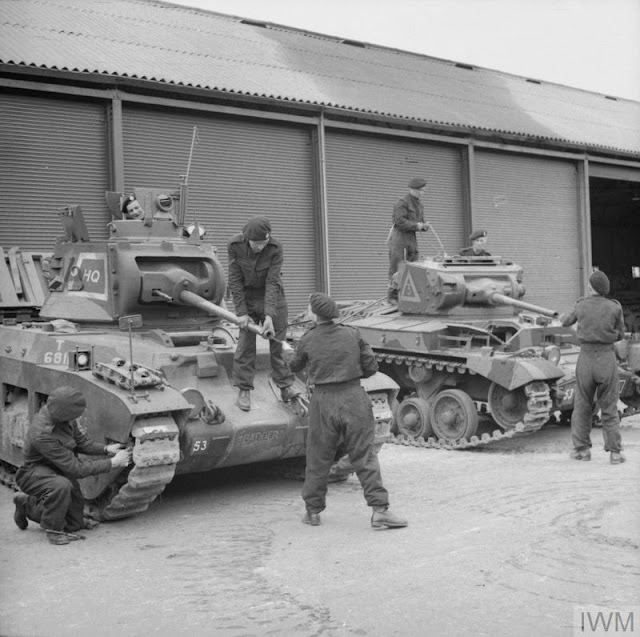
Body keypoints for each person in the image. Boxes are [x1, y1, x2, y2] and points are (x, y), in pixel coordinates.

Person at [284, 292, 408, 529]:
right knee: (365, 455)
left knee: (318, 458)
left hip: (322, 402)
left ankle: (312, 512)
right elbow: (371, 368)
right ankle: (380, 511)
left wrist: (287, 352)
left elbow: (293, 366)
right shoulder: (352, 334)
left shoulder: (308, 339)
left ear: (314, 314)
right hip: (353, 399)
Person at [12, 386, 132, 545]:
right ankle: (50, 528)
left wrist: (106, 449)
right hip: (34, 472)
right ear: (63, 414)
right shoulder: (42, 433)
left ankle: (30, 506)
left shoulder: (62, 415)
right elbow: (76, 468)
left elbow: (80, 442)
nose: (75, 418)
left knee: (74, 524)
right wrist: (113, 462)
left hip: (58, 466)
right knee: (61, 486)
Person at [227, 215, 299, 411]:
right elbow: (234, 280)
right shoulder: (235, 245)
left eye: (263, 243)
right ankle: (244, 389)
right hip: (248, 298)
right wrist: (241, 312)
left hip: (273, 297)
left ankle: (285, 386)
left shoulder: (275, 248)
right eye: (256, 244)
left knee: (278, 344)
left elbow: (272, 281)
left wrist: (269, 315)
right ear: (246, 239)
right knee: (245, 345)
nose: (260, 247)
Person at [560, 270, 626, 464]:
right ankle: (615, 453)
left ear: (590, 288)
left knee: (581, 406)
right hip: (606, 358)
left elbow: (565, 322)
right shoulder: (615, 307)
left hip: (586, 359)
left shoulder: (581, 305)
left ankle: (582, 451)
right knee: (609, 407)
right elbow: (621, 334)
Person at [387, 177, 431, 301]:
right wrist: (417, 226)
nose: (423, 193)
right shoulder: (402, 203)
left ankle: (410, 296)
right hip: (399, 237)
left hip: (411, 236)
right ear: (413, 189)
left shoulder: (419, 204)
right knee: (397, 265)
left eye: (423, 190)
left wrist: (424, 226)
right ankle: (393, 296)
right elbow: (399, 221)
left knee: (413, 263)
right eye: (421, 190)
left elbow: (420, 221)